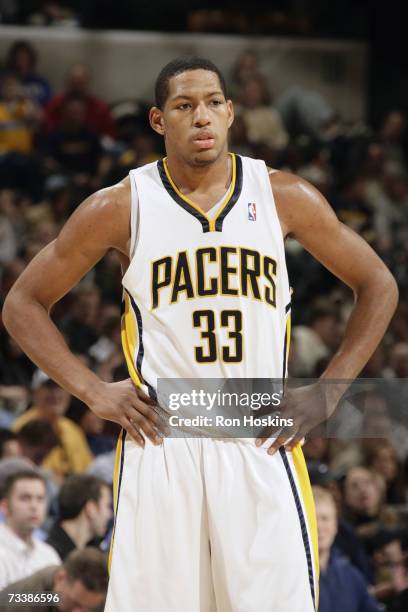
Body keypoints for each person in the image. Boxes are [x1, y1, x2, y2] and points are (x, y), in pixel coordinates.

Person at [3, 57, 398, 611]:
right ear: (159, 120)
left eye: (213, 102)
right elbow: (22, 303)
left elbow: (378, 283)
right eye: (185, 105)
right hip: (163, 440)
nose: (202, 116)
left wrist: (330, 393)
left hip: (260, 436)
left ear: (232, 112)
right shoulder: (121, 205)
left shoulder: (283, 195)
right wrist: (92, 391)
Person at [314, 486, 380, 611]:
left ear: (336, 525)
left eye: (325, 518)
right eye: (313, 519)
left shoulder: (350, 574)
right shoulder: (291, 574)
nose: (319, 526)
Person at [0, 470, 61, 589]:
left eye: (40, 499)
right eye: (25, 498)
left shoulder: (49, 553)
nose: (34, 506)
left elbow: (58, 600)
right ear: (5, 506)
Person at [0, 547, 109, 612]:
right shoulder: (24, 601)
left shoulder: (100, 595)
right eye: (74, 603)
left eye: (87, 609)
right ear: (60, 578)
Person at [47, 474, 112, 560]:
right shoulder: (49, 555)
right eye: (107, 506)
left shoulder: (95, 553)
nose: (110, 515)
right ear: (91, 509)